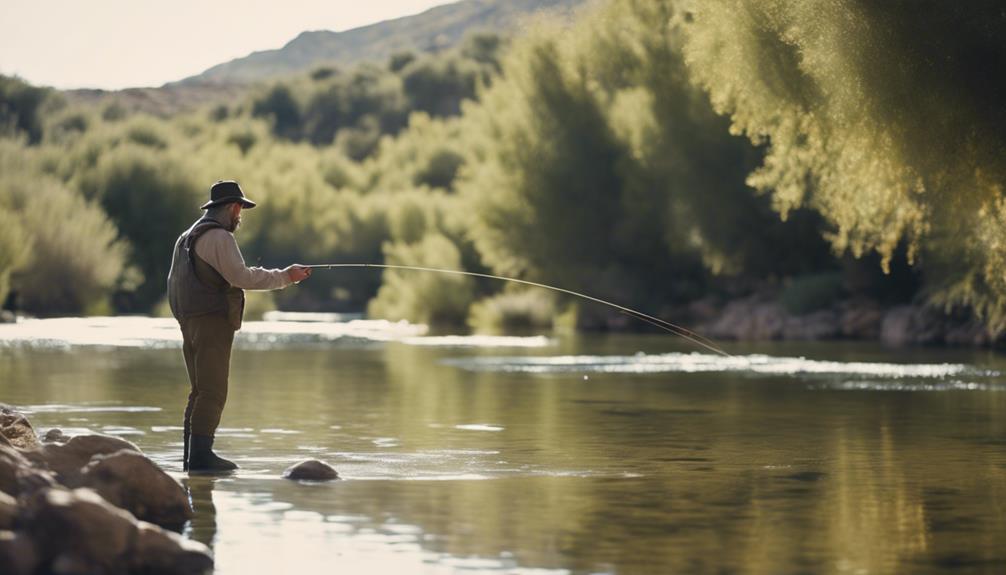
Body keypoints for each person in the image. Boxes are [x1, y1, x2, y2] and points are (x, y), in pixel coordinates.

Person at [167, 180, 311, 473]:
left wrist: (184, 319)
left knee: (199, 391)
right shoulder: (219, 238)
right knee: (214, 391)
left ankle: (191, 459)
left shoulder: (186, 237)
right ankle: (201, 458)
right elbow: (242, 277)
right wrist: (286, 276)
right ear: (233, 207)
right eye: (240, 210)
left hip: (188, 321)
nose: (240, 216)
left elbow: (172, 283)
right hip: (211, 322)